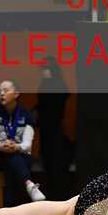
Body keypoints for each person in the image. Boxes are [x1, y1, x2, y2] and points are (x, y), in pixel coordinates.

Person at [0, 80, 46, 203]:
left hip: (20, 155)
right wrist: (1, 146)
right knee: (10, 159)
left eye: (6, 91)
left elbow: (27, 145)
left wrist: (16, 147)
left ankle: (8, 207)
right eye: (0, 91)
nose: (2, 94)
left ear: (16, 93)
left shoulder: (26, 115)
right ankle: (29, 184)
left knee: (12, 163)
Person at [36, 58, 69, 200]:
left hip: (54, 128)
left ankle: (57, 196)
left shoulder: (56, 84)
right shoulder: (48, 83)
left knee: (55, 163)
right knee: (49, 163)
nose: (43, 71)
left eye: (45, 68)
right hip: (48, 129)